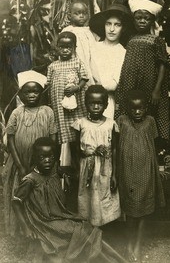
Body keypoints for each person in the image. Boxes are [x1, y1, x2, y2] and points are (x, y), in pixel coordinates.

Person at [12, 137, 127, 263]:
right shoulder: (30, 180)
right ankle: (113, 260)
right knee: (83, 231)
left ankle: (119, 259)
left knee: (88, 228)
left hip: (59, 215)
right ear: (35, 158)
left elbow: (62, 171)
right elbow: (16, 201)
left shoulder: (54, 169)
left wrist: (65, 176)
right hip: (45, 221)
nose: (47, 161)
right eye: (42, 157)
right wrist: (25, 226)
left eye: (50, 156)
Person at [3, 70, 57, 235]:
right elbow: (10, 138)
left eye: (36, 91)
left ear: (41, 93)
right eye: (28, 92)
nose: (32, 95)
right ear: (21, 94)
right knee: (20, 191)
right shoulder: (17, 113)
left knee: (40, 192)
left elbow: (53, 137)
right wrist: (19, 164)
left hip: (42, 161)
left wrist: (51, 160)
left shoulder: (48, 111)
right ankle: (22, 228)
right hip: (21, 160)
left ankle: (43, 226)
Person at [117, 90, 165, 263]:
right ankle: (130, 243)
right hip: (127, 171)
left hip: (146, 171)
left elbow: (155, 145)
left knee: (144, 212)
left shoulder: (150, 122)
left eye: (141, 108)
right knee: (130, 211)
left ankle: (138, 244)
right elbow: (115, 146)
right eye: (133, 109)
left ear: (146, 109)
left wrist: (159, 168)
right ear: (128, 109)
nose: (137, 112)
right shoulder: (122, 121)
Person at [117, 0, 169, 145]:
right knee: (129, 113)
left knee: (147, 114)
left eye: (146, 18)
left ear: (152, 21)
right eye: (138, 18)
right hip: (130, 83)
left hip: (149, 83)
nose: (142, 21)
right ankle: (130, 145)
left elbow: (162, 64)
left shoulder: (156, 40)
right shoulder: (130, 38)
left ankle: (149, 147)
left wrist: (157, 89)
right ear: (133, 20)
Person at [71, 85, 120, 226]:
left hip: (105, 168)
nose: (96, 107)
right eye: (92, 103)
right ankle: (90, 232)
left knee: (104, 198)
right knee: (88, 198)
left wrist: (115, 174)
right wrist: (76, 168)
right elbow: (75, 149)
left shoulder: (111, 124)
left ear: (105, 105)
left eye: (99, 103)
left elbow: (115, 150)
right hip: (87, 168)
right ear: (86, 104)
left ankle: (104, 232)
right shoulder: (80, 124)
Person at [47, 31, 88, 166]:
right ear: (57, 47)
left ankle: (78, 163)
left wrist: (76, 88)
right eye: (62, 47)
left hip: (75, 104)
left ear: (74, 48)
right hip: (59, 104)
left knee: (76, 132)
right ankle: (63, 167)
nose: (65, 50)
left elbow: (84, 79)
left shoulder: (77, 62)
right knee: (62, 131)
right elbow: (48, 84)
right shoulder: (53, 66)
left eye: (69, 47)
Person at [89, 3, 133, 119]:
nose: (112, 29)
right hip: (88, 99)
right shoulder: (93, 47)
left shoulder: (123, 52)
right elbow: (86, 72)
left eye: (117, 25)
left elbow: (112, 85)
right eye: (108, 24)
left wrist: (98, 84)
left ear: (123, 29)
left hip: (107, 101)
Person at [62, 1, 98, 85]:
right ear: (70, 15)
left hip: (89, 60)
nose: (81, 16)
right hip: (75, 60)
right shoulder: (68, 30)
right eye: (77, 13)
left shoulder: (89, 31)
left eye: (84, 13)